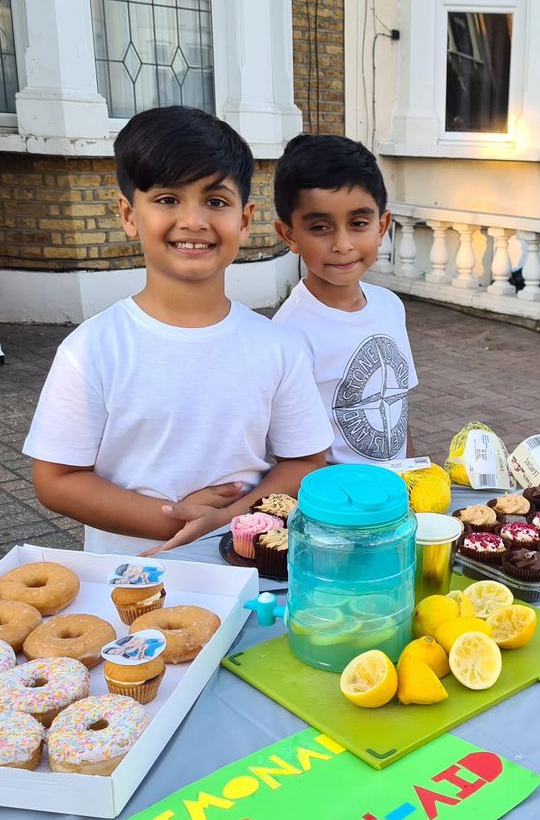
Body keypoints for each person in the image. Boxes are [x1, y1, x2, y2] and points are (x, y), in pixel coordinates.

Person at [24, 106, 333, 556]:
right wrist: (173, 520)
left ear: (244, 220)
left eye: (216, 201)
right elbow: (56, 480)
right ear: (129, 215)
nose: (194, 221)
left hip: (247, 574)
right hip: (130, 581)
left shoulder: (277, 346)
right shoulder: (92, 348)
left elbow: (305, 460)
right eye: (168, 199)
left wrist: (229, 519)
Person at [272, 134, 417, 464]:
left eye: (358, 224)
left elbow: (398, 406)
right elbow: (299, 455)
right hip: (342, 508)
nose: (343, 244)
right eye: (321, 227)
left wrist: (414, 480)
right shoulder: (288, 334)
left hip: (398, 494)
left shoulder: (390, 306)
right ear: (290, 235)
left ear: (382, 227)